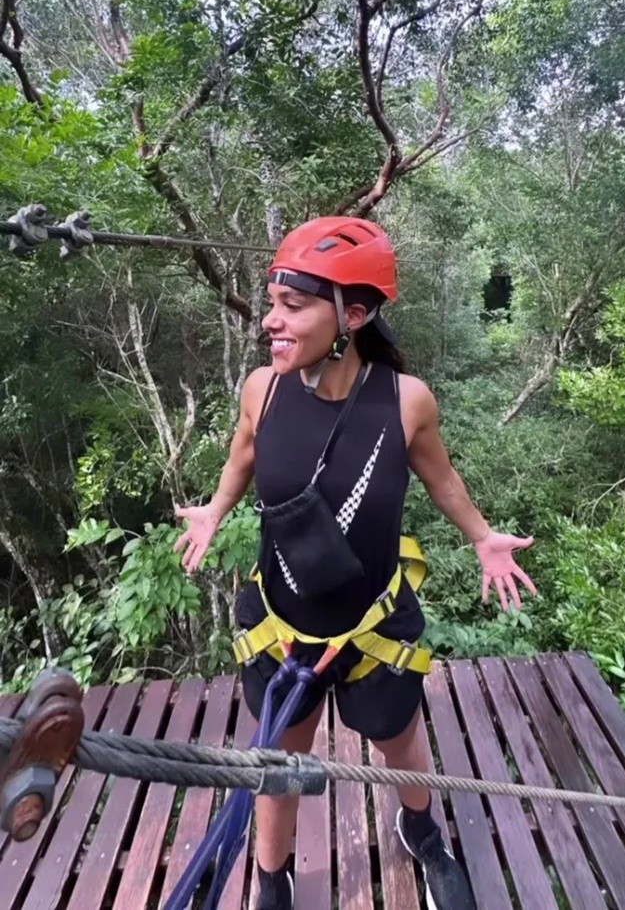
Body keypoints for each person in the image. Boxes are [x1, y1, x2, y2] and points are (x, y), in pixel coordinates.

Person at [174, 216, 537, 910]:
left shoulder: (405, 401)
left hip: (373, 627)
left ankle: (422, 830)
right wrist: (216, 508)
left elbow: (441, 477)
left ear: (353, 314)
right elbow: (243, 455)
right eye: (271, 302)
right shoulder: (263, 389)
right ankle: (272, 877)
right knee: (281, 763)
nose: (270, 322)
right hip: (283, 629)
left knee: (401, 742)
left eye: (293, 305)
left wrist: (482, 535)